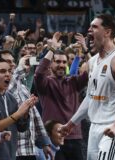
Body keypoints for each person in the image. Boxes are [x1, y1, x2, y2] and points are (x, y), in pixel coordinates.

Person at [59, 14, 115, 160]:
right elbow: (90, 97)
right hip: (95, 125)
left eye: (94, 27)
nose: (89, 30)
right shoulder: (93, 61)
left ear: (107, 32)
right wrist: (71, 123)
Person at [34, 32, 88, 160]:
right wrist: (51, 49)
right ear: (51, 64)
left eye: (64, 62)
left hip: (75, 137)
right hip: (53, 139)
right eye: (57, 61)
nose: (61, 65)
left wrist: (85, 51)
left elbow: (91, 71)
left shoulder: (74, 81)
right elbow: (39, 73)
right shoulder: (45, 83)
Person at [0, 50, 52, 160]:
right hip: (12, 152)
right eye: (7, 61)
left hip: (29, 149)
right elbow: (9, 84)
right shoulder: (1, 87)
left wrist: (44, 142)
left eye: (12, 61)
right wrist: (20, 67)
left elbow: (34, 114)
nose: (12, 64)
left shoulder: (21, 87)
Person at [0, 54, 37, 160]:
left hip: (11, 155)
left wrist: (25, 113)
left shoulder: (10, 98)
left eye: (10, 72)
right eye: (2, 71)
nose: (8, 74)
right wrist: (18, 113)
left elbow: (21, 128)